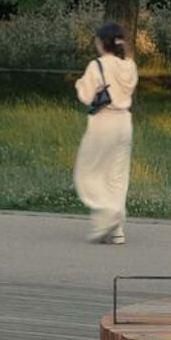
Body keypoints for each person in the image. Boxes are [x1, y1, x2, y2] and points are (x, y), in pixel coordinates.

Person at [72, 21, 139, 244]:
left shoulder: (97, 66)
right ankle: (116, 230)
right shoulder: (129, 65)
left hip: (103, 122)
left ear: (102, 43)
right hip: (124, 122)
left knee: (88, 172)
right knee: (117, 176)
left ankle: (109, 212)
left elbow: (87, 96)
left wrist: (79, 84)